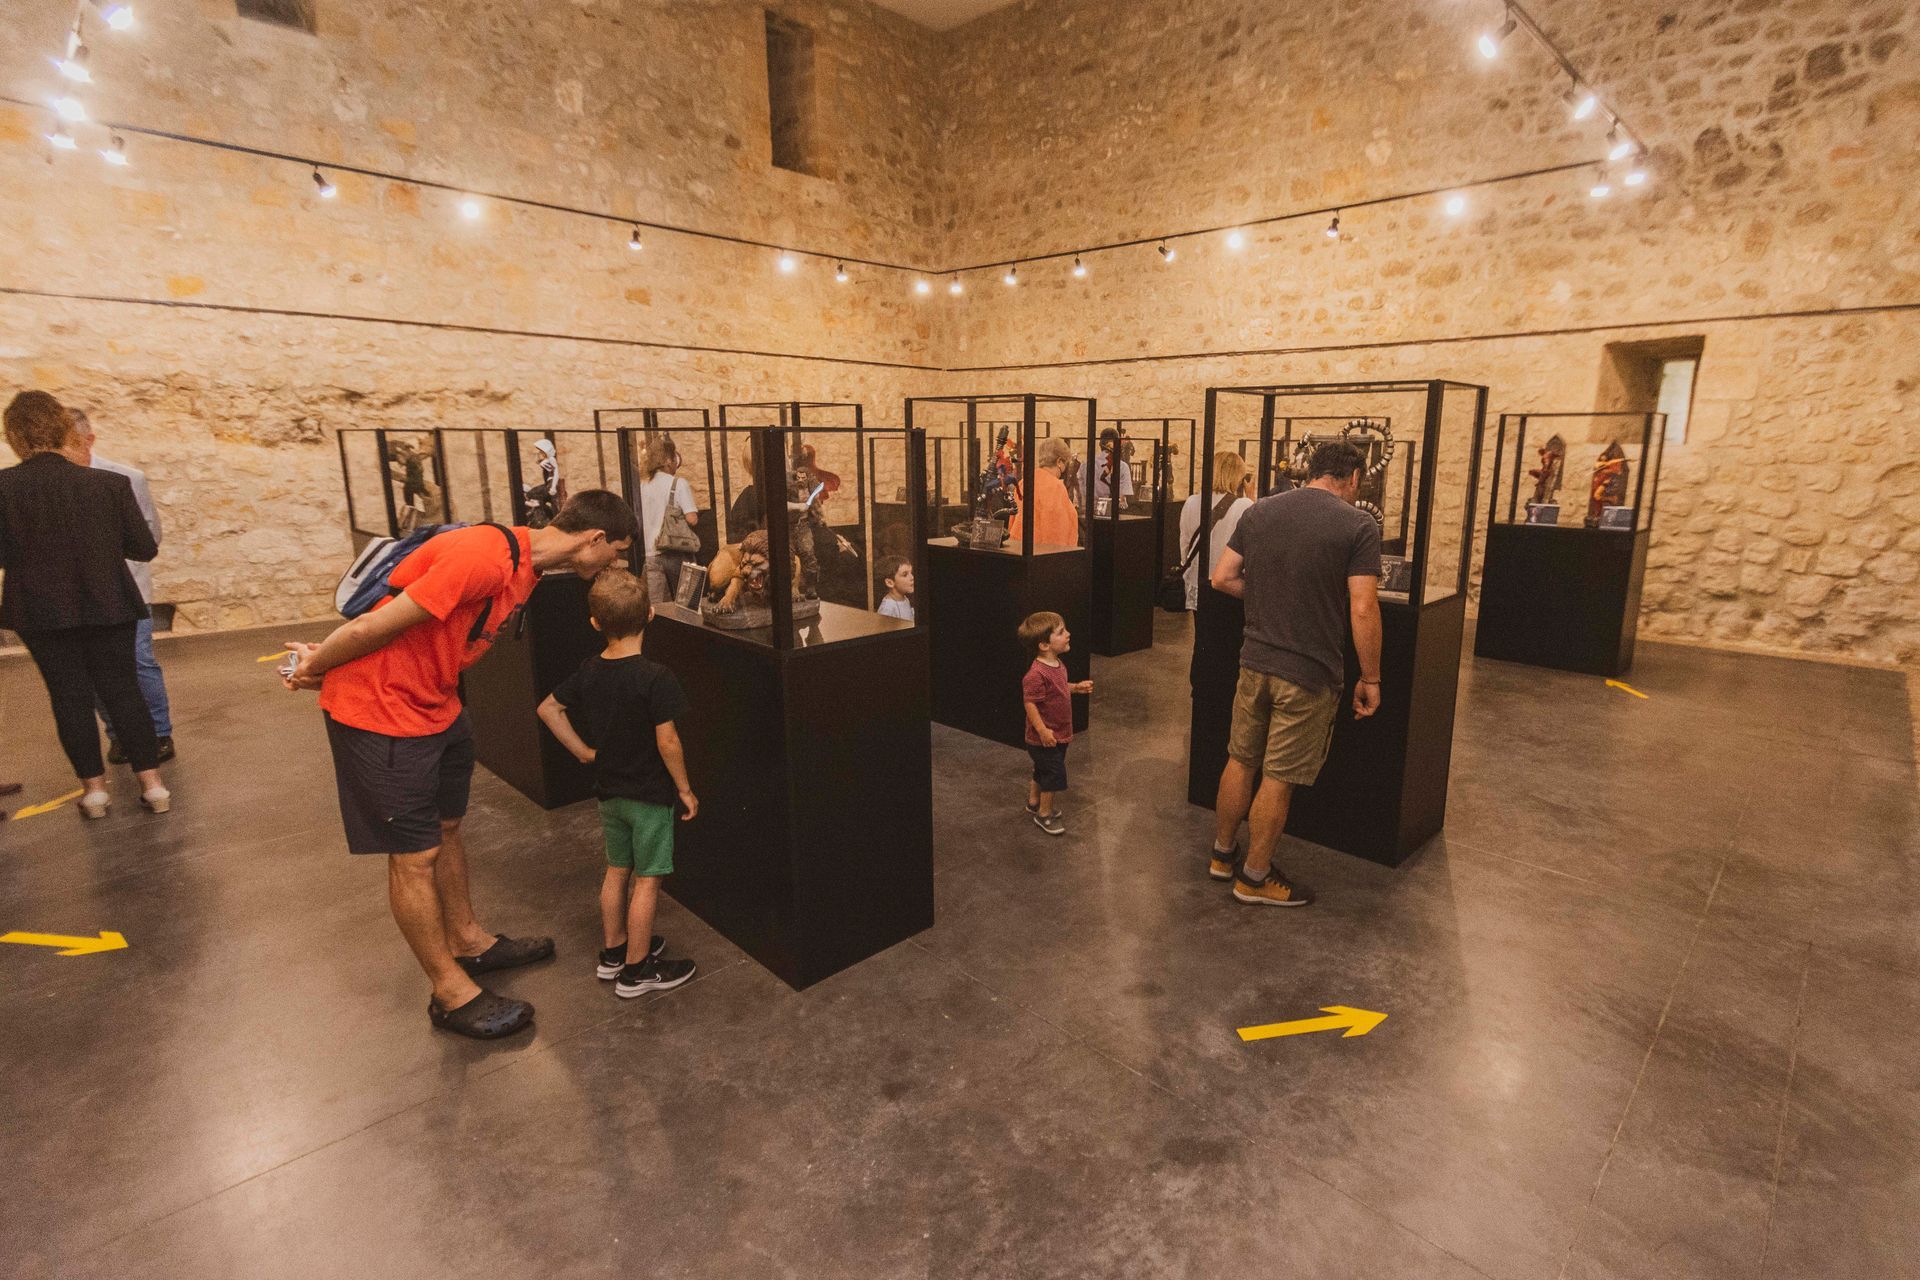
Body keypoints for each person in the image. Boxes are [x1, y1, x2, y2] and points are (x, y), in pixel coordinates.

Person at [280, 489, 637, 1039]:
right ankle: (449, 993)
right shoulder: (483, 558)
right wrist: (314, 668)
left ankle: (469, 941)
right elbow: (371, 627)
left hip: (437, 705)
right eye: (616, 551)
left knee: (446, 829)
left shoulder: (526, 569)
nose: (615, 563)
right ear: (594, 539)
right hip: (383, 712)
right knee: (414, 855)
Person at [1206, 441, 1382, 908]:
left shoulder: (1260, 510)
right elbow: (1363, 607)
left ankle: (1222, 856)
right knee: (1278, 778)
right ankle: (1254, 878)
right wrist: (1371, 678)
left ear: (1312, 471)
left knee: (1239, 760)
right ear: (1353, 478)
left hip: (1254, 661)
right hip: (1308, 671)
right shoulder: (1358, 524)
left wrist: (1269, 598)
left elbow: (1222, 577)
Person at [0, 391, 170, 818]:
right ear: (63, 429)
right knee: (124, 691)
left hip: (39, 609)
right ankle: (153, 786)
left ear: (14, 436)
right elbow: (143, 548)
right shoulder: (108, 484)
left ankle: (94, 792)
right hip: (108, 600)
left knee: (68, 697)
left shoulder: (3, 488)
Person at [536, 569, 699, 999]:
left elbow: (549, 708)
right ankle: (637, 970)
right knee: (648, 880)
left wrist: (582, 752)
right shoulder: (656, 677)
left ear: (595, 623)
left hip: (609, 793)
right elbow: (668, 740)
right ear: (650, 615)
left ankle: (614, 952)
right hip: (649, 796)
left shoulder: (589, 670)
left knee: (617, 870)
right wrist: (684, 788)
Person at [65, 408, 176, 765]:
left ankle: (158, 733)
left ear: (89, 440)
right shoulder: (57, 483)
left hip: (127, 589)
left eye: (69, 442)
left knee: (139, 661)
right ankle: (119, 735)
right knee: (94, 666)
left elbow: (149, 535)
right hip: (81, 593)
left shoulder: (127, 477)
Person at [1018, 610, 1093, 836]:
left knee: (1043, 769)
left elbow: (1058, 689)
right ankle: (1044, 814)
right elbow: (1030, 704)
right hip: (1044, 737)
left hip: (1058, 733)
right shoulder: (1035, 674)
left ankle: (1034, 802)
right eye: (1061, 632)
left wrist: (1076, 687)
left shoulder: (1057, 664)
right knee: (1053, 774)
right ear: (1044, 645)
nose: (1068, 634)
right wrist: (1042, 730)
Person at [1177, 451, 1255, 611]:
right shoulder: (1244, 505)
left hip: (1198, 583)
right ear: (1238, 476)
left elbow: (1184, 544)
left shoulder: (1191, 502)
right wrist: (1252, 496)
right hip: (1229, 584)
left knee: (1202, 626)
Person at [637, 435, 699, 604]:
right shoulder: (678, 484)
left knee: (657, 607)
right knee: (687, 604)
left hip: (651, 555)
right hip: (676, 554)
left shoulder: (642, 486)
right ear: (668, 460)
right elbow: (692, 519)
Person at [1006, 438, 1079, 548]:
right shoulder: (1056, 487)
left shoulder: (1023, 482)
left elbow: (1012, 519)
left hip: (1018, 547)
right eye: (1065, 463)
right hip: (1041, 551)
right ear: (1059, 462)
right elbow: (1057, 532)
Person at [1091, 427, 1135, 510]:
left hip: (1094, 508)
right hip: (1109, 508)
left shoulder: (1089, 464)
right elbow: (1123, 500)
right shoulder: (1123, 466)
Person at [877, 556, 915, 622]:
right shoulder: (888, 608)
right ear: (890, 583)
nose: (912, 577)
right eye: (905, 575)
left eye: (911, 573)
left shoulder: (904, 599)